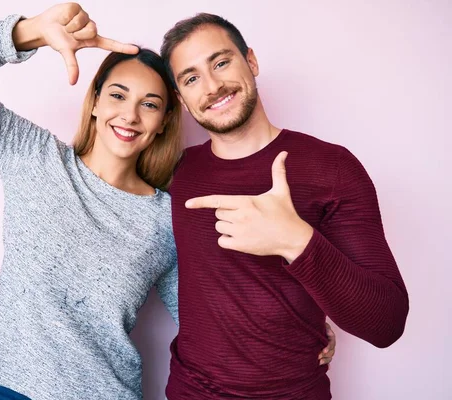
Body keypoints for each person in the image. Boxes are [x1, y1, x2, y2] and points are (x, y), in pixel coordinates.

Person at [0, 3, 336, 399]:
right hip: (4, 388)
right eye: (118, 96)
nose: (131, 116)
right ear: (97, 101)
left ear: (162, 123)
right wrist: (30, 32)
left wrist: (300, 328)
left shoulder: (165, 218)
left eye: (150, 105)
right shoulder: (34, 157)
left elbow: (205, 314)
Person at [160, 12, 409, 400]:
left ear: (252, 62)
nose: (211, 86)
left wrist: (297, 241)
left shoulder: (332, 167)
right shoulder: (176, 172)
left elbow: (387, 324)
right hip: (192, 390)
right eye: (191, 78)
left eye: (221, 62)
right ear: (182, 99)